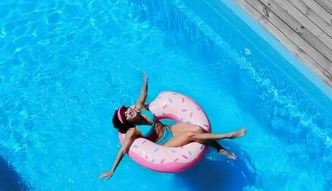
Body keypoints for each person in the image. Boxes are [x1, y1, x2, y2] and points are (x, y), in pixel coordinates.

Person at [99, 72, 246, 180]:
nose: (128, 112)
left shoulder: (140, 107)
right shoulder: (133, 130)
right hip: (165, 143)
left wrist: (145, 80)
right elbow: (123, 150)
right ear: (127, 122)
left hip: (169, 129)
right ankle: (228, 135)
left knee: (197, 129)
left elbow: (143, 94)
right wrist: (112, 170)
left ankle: (219, 149)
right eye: (125, 115)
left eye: (126, 110)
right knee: (190, 135)